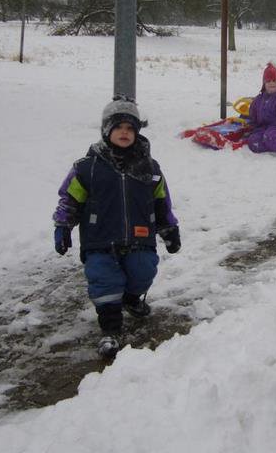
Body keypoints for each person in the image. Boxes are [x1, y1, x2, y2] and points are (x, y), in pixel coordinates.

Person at [52, 96, 181, 360]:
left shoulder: (150, 168)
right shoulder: (87, 168)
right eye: (118, 127)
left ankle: (132, 298)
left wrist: (169, 228)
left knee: (144, 270)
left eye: (130, 128)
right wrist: (63, 225)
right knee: (104, 280)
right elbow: (70, 198)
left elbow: (161, 201)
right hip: (99, 238)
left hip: (140, 236)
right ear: (106, 131)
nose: (125, 132)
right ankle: (110, 328)